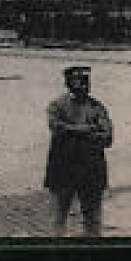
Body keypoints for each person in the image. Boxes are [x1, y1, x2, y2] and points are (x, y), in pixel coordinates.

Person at [45, 66, 114, 237]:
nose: (84, 86)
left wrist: (74, 132)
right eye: (79, 82)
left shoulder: (97, 107)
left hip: (90, 171)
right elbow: (57, 128)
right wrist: (89, 130)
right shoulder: (56, 106)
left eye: (86, 82)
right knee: (57, 220)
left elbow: (107, 137)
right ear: (68, 83)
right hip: (63, 169)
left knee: (93, 222)